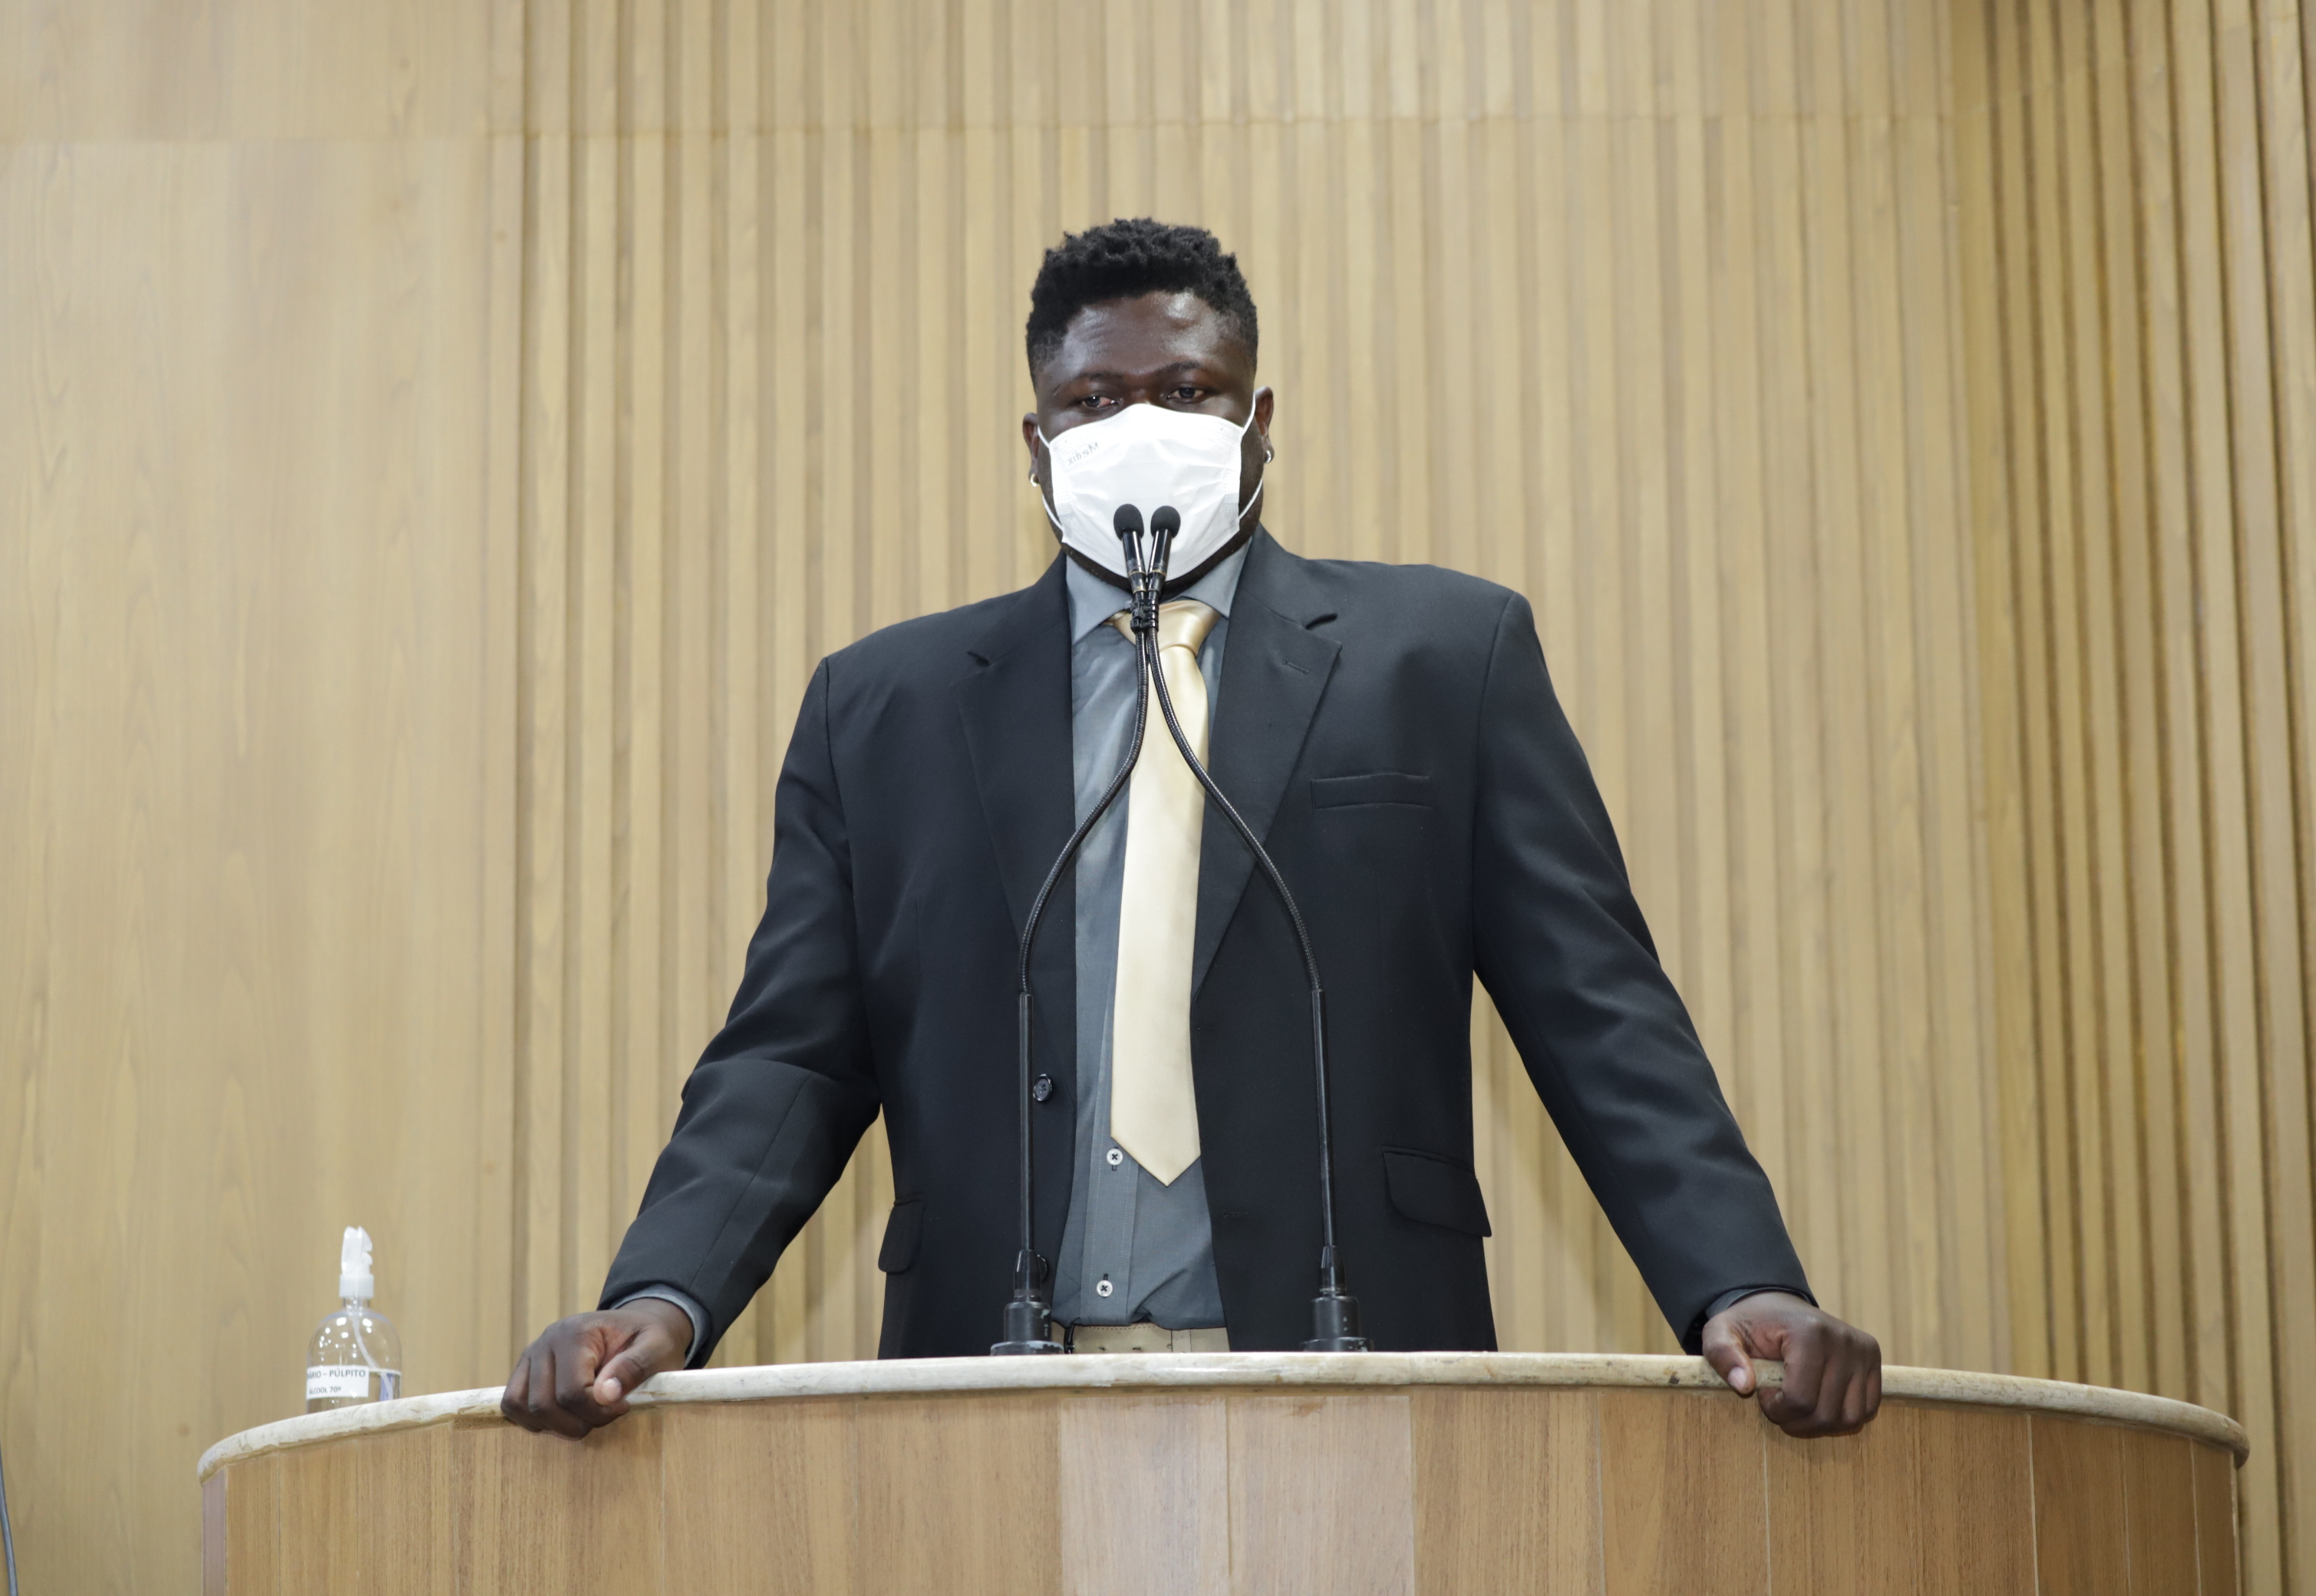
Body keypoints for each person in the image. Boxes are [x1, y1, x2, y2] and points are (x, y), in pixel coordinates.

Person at [502, 219, 1880, 1441]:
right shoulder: (884, 709)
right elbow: (792, 1055)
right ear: (1038, 443)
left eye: (1186, 391)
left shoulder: (1444, 660)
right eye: (1094, 401)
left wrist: (1738, 1281)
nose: (1141, 426)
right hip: (982, 1400)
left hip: (1353, 1377)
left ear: (1257, 420)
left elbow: (1601, 1011)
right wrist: (664, 1294)